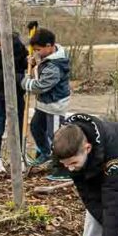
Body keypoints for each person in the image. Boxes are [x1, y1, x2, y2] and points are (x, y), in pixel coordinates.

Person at [22, 27, 71, 170]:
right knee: (36, 127)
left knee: (55, 136)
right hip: (43, 104)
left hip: (55, 105)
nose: (36, 53)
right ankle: (46, 153)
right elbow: (41, 69)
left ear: (49, 46)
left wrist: (25, 82)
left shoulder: (56, 66)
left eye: (38, 50)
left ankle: (61, 166)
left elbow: (40, 85)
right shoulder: (47, 58)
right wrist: (35, 63)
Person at [0, 21, 27, 174]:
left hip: (17, 93)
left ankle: (19, 156)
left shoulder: (18, 47)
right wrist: (19, 77)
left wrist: (24, 76)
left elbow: (24, 64)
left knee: (18, 125)